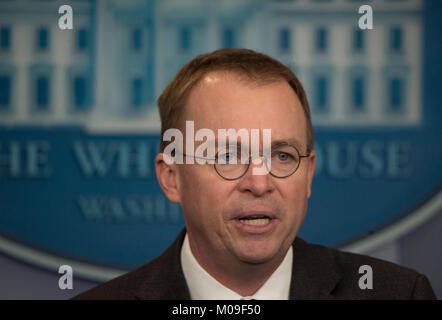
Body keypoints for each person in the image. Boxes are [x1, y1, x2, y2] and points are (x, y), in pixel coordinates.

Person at [74, 49, 436, 300]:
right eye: (228, 155)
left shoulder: (400, 294)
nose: (260, 183)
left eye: (281, 155)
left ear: (308, 174)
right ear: (172, 176)